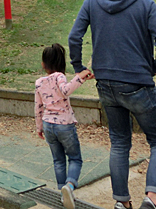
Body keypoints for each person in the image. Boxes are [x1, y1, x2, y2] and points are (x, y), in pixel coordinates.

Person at [68, 0, 156, 209]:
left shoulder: (92, 2)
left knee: (119, 142)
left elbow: (75, 37)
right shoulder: (146, 5)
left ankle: (121, 202)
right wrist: (155, 67)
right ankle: (152, 198)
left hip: (105, 83)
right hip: (138, 83)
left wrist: (78, 67)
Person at [35, 43, 93, 209]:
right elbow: (66, 90)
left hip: (47, 124)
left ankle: (62, 193)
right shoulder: (60, 76)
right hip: (64, 125)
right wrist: (80, 77)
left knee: (58, 160)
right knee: (75, 158)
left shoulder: (39, 82)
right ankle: (69, 186)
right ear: (62, 63)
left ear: (43, 64)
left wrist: (39, 127)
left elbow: (38, 107)